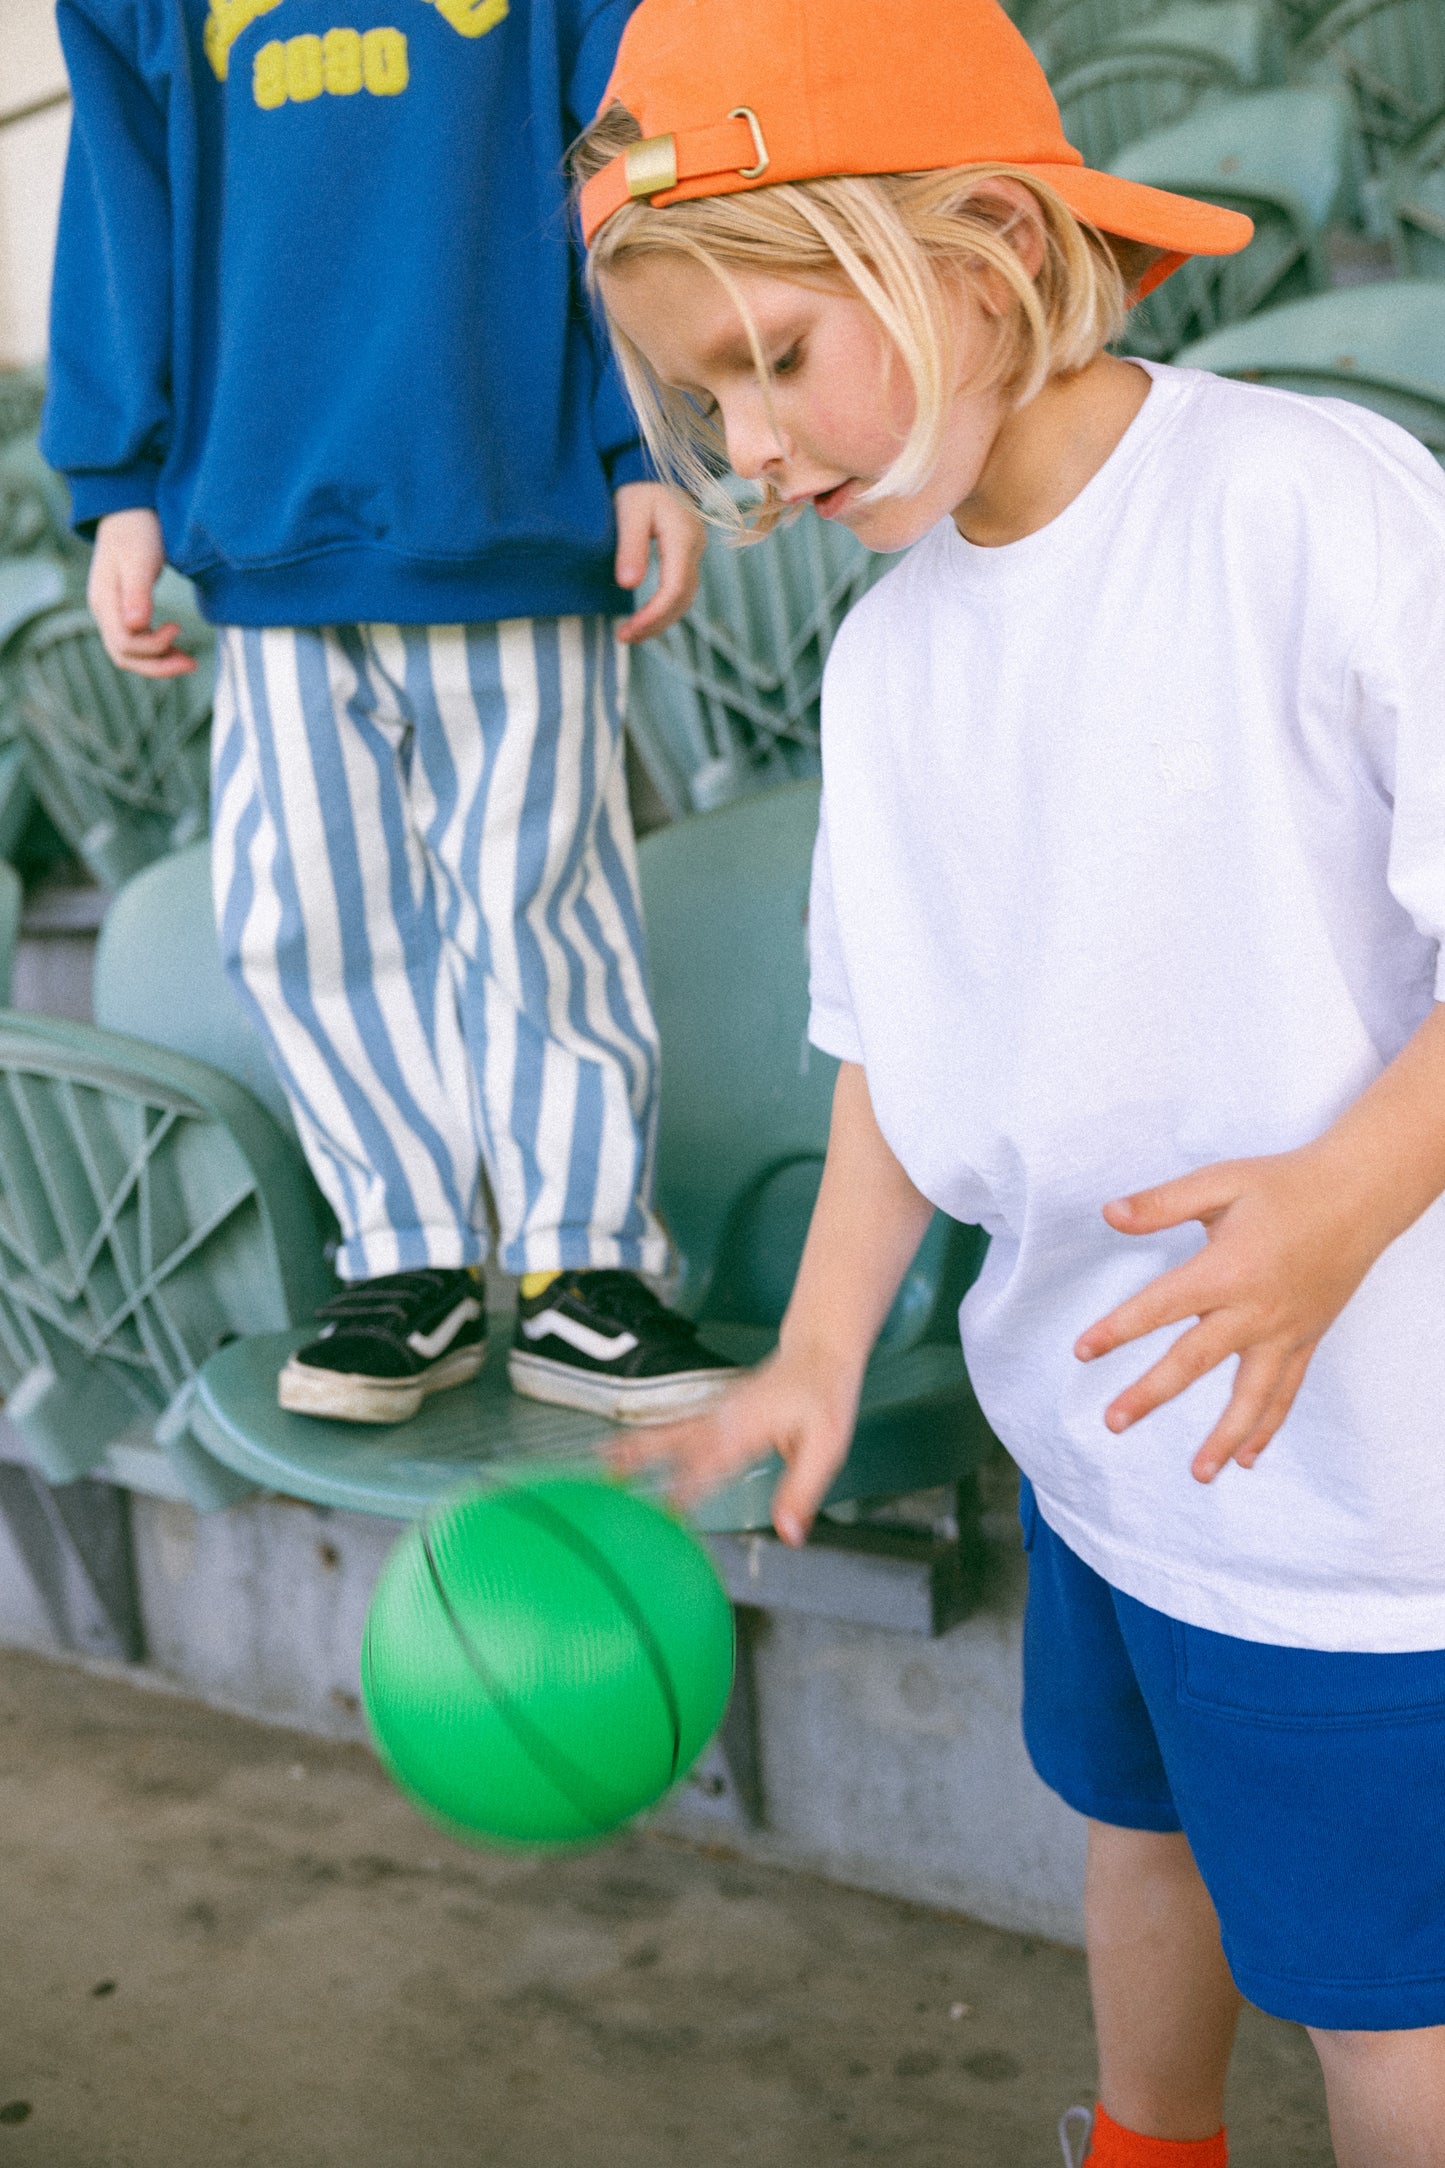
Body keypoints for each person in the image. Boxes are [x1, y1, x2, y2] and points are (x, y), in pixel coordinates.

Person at [572, 0, 1445, 2160]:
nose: (748, 448)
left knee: (1383, 1999)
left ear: (969, 259)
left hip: (1354, 1504)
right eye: (701, 400)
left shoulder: (1302, 506)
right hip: (1101, 1455)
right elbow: (897, 1050)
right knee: (1140, 1842)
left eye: (777, 356)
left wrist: (1343, 1200)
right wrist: (811, 1349)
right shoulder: (885, 664)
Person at [42, 0, 737, 1426]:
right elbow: (120, 195)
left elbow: (626, 164)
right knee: (306, 912)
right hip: (267, 532)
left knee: (543, 905)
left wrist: (648, 435)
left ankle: (579, 1270)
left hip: (514, 512)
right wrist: (119, 483)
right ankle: (407, 1257)